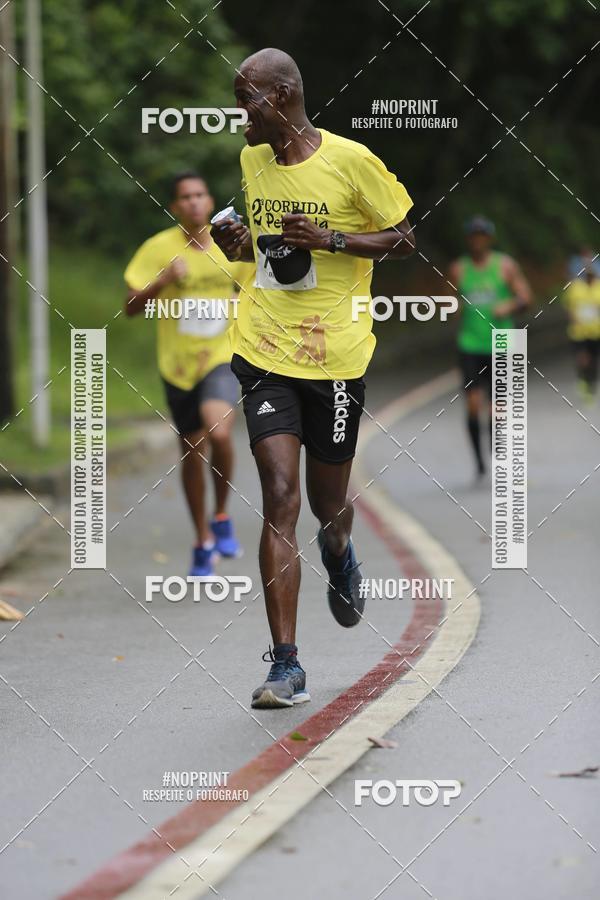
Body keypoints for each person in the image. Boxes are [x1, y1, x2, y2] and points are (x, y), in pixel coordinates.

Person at [210, 48, 415, 709]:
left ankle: (340, 548)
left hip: (336, 361)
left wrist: (331, 240)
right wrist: (242, 248)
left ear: (282, 95)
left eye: (246, 100)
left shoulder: (352, 162)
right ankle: (287, 665)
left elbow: (403, 238)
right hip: (264, 351)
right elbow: (267, 254)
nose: (239, 115)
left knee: (328, 506)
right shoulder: (253, 162)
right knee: (279, 496)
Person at [124, 172, 252, 575]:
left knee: (219, 432)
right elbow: (130, 307)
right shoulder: (158, 247)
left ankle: (221, 514)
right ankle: (202, 539)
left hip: (222, 356)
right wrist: (162, 281)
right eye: (186, 197)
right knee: (192, 451)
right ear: (175, 206)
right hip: (178, 366)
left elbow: (257, 288)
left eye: (200, 194)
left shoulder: (230, 244)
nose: (194, 202)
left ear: (210, 201)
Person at [449, 216, 532, 478]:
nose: (478, 241)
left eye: (482, 236)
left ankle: (498, 451)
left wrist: (510, 305)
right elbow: (448, 303)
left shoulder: (505, 266)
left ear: (489, 239)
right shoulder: (459, 269)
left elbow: (526, 298)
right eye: (474, 236)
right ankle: (479, 462)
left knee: (498, 407)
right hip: (470, 344)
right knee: (473, 404)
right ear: (468, 240)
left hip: (502, 342)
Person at [563, 257, 600, 402]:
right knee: (583, 358)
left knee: (593, 360)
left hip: (595, 331)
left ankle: (591, 383)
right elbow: (568, 306)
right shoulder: (575, 287)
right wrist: (573, 318)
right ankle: (583, 380)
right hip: (578, 332)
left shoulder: (598, 287)